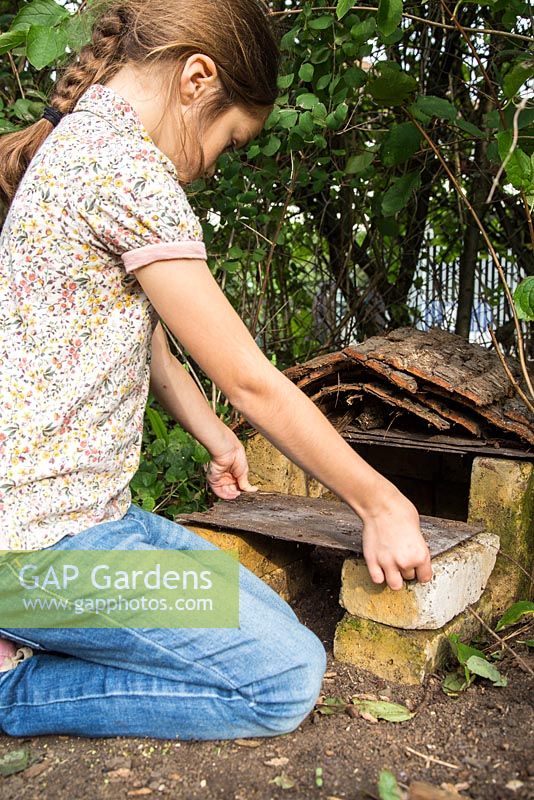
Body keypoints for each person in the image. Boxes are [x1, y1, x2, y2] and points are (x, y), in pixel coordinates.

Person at [0, 0, 432, 740]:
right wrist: (381, 504)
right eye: (230, 141)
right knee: (285, 676)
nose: (212, 164)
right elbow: (250, 380)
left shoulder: (80, 143)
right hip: (41, 555)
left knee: (265, 613)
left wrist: (214, 436)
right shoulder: (130, 173)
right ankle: (16, 683)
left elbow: (143, 338)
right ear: (197, 78)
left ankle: (30, 627)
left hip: (79, 526)